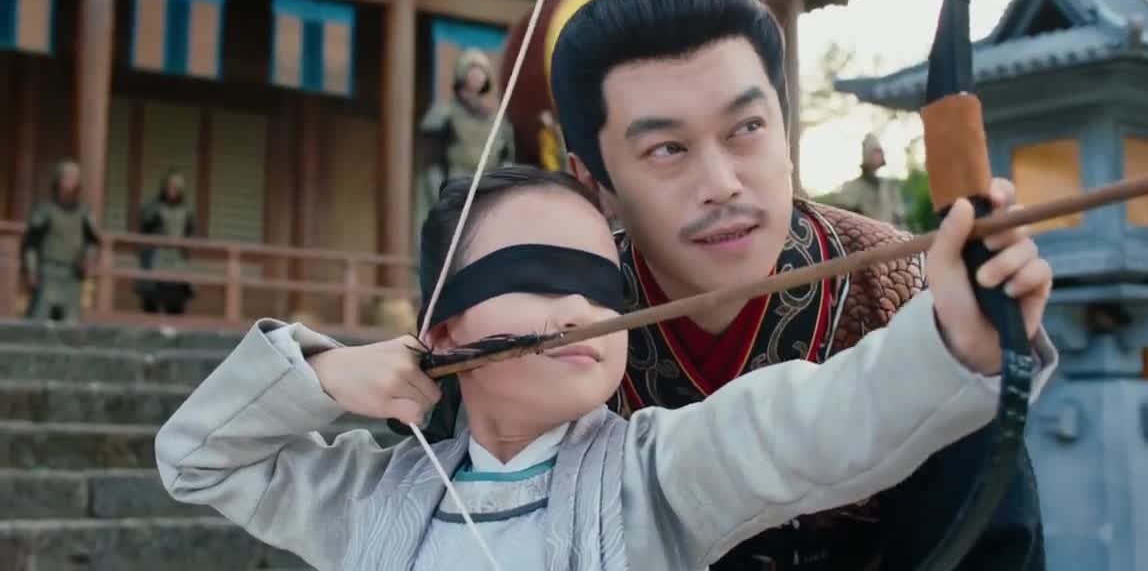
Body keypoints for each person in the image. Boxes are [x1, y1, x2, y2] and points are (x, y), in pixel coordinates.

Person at [155, 165, 1057, 571]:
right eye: (537, 276)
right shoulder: (370, 498)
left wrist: (956, 334)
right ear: (445, 325)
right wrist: (321, 374)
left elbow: (813, 423)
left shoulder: (653, 476)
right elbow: (197, 459)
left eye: (601, 285)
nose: (585, 310)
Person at [541, 0, 1052, 570]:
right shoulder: (560, 328)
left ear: (787, 130)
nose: (722, 184)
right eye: (666, 149)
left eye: (746, 128)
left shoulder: (900, 289)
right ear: (592, 182)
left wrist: (973, 345)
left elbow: (990, 546)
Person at [419, 48, 517, 184]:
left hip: (487, 185)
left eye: (482, 70)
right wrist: (439, 190)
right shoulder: (444, 113)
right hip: (455, 185)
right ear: (462, 72)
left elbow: (506, 160)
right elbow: (431, 162)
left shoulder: (496, 121)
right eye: (473, 69)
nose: (478, 75)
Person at [20, 160, 101, 323]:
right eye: (67, 178)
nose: (70, 182)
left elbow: (92, 242)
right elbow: (31, 244)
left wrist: (89, 260)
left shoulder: (84, 213)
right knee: (39, 319)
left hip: (73, 275)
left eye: (74, 178)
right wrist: (31, 270)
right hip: (48, 272)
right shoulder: (44, 210)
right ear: (58, 181)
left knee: (70, 323)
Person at [134, 169, 196, 315]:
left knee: (175, 302)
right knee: (151, 300)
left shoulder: (186, 211)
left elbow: (189, 231)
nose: (172, 190)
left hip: (177, 260)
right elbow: (144, 227)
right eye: (170, 186)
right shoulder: (154, 207)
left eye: (176, 187)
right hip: (156, 257)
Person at [829, 133, 906, 227]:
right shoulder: (852, 187)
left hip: (889, 233)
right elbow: (840, 215)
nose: (878, 156)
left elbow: (899, 219)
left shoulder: (889, 187)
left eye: (879, 152)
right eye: (874, 152)